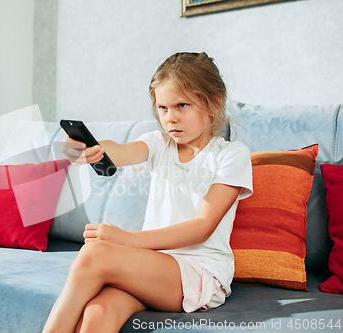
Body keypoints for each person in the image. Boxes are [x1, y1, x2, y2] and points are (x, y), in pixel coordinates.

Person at [43, 52, 253, 333]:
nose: (171, 118)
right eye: (163, 108)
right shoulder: (159, 143)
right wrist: (87, 150)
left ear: (214, 102)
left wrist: (126, 240)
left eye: (181, 105)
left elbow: (202, 227)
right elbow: (119, 151)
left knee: (95, 255)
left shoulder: (231, 155)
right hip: (150, 267)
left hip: (198, 272)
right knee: (97, 313)